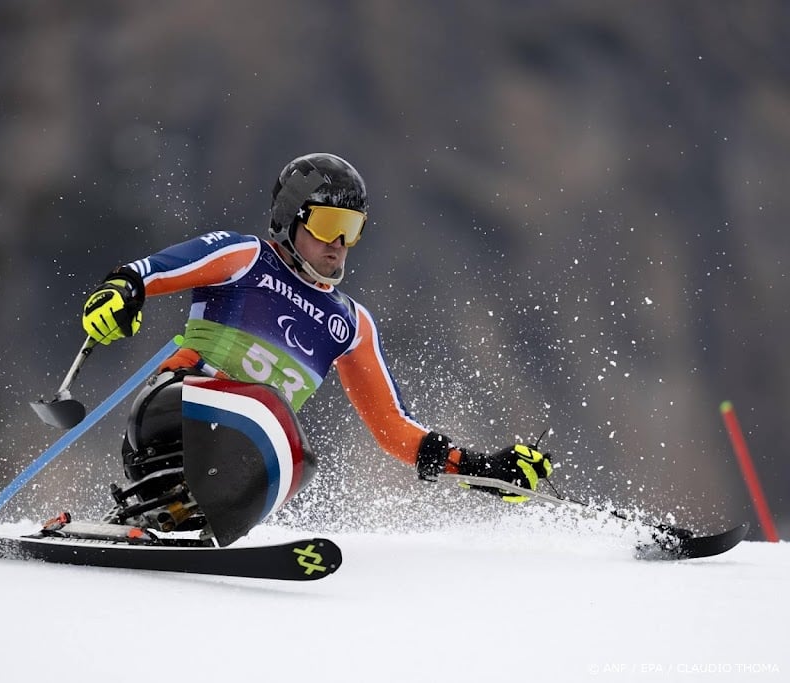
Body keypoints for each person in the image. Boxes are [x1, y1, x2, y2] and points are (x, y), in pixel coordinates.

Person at [78, 152, 553, 545]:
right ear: (290, 220)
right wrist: (121, 291)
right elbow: (151, 271)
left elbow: (393, 428)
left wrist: (480, 468)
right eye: (328, 225)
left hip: (239, 448)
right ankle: (171, 504)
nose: (339, 245)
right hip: (171, 414)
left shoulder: (351, 323)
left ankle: (165, 519)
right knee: (271, 416)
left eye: (353, 229)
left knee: (298, 458)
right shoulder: (246, 258)